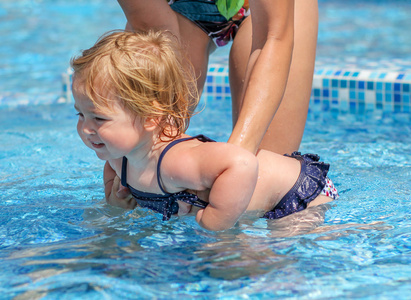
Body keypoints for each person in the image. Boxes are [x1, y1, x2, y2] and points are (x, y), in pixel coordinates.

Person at [71, 30, 338, 231]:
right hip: (270, 193)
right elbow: (112, 168)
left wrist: (216, 220)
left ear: (150, 118)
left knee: (273, 264)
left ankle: (373, 231)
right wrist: (115, 201)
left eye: (99, 119)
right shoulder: (118, 156)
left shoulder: (176, 162)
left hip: (295, 193)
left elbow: (241, 163)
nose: (86, 129)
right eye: (80, 114)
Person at [107, 0, 319, 210]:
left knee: (264, 188)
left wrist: (232, 165)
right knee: (144, 156)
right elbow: (151, 27)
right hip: (175, 7)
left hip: (268, 15)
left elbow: (273, 36)